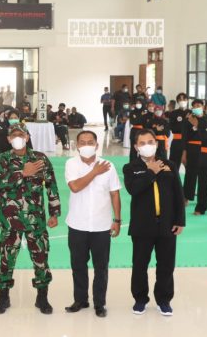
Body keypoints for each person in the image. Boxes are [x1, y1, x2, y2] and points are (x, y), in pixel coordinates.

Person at [0, 123, 61, 315]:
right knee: (7, 258)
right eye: (13, 135)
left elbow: (51, 186)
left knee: (41, 258)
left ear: (27, 137)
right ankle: (3, 296)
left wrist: (54, 212)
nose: (18, 138)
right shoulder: (3, 158)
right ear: (8, 139)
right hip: (10, 221)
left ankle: (42, 297)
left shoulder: (40, 158)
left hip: (35, 219)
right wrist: (22, 173)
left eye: (21, 135)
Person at [123, 129, 185, 316]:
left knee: (166, 264)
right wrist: (150, 172)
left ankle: (164, 300)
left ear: (156, 144)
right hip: (142, 225)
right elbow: (133, 189)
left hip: (167, 224)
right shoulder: (131, 168)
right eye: (142, 143)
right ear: (136, 147)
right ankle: (140, 299)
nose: (147, 146)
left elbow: (178, 193)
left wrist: (180, 220)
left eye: (150, 142)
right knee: (140, 264)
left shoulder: (170, 165)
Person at [65, 131, 122, 318]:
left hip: (101, 226)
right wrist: (95, 172)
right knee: (78, 265)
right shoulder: (71, 164)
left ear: (97, 145)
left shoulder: (108, 166)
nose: (86, 145)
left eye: (90, 142)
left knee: (101, 267)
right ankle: (80, 300)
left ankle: (100, 303)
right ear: (77, 145)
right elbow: (75, 187)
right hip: (77, 224)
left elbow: (115, 193)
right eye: (82, 142)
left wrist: (117, 220)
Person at [182, 99, 205, 205]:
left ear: (203, 107)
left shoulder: (206, 120)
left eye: (198, 105)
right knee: (190, 173)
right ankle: (186, 196)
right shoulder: (188, 120)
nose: (197, 108)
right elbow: (184, 138)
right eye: (194, 106)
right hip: (191, 148)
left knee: (203, 175)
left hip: (204, 149)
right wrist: (184, 153)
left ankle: (202, 199)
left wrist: (196, 125)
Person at [167, 94, 190, 169]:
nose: (182, 101)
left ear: (187, 100)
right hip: (177, 142)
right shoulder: (174, 113)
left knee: (189, 166)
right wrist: (185, 121)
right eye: (180, 99)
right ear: (177, 101)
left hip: (188, 142)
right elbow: (173, 128)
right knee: (173, 165)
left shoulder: (191, 113)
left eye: (184, 99)